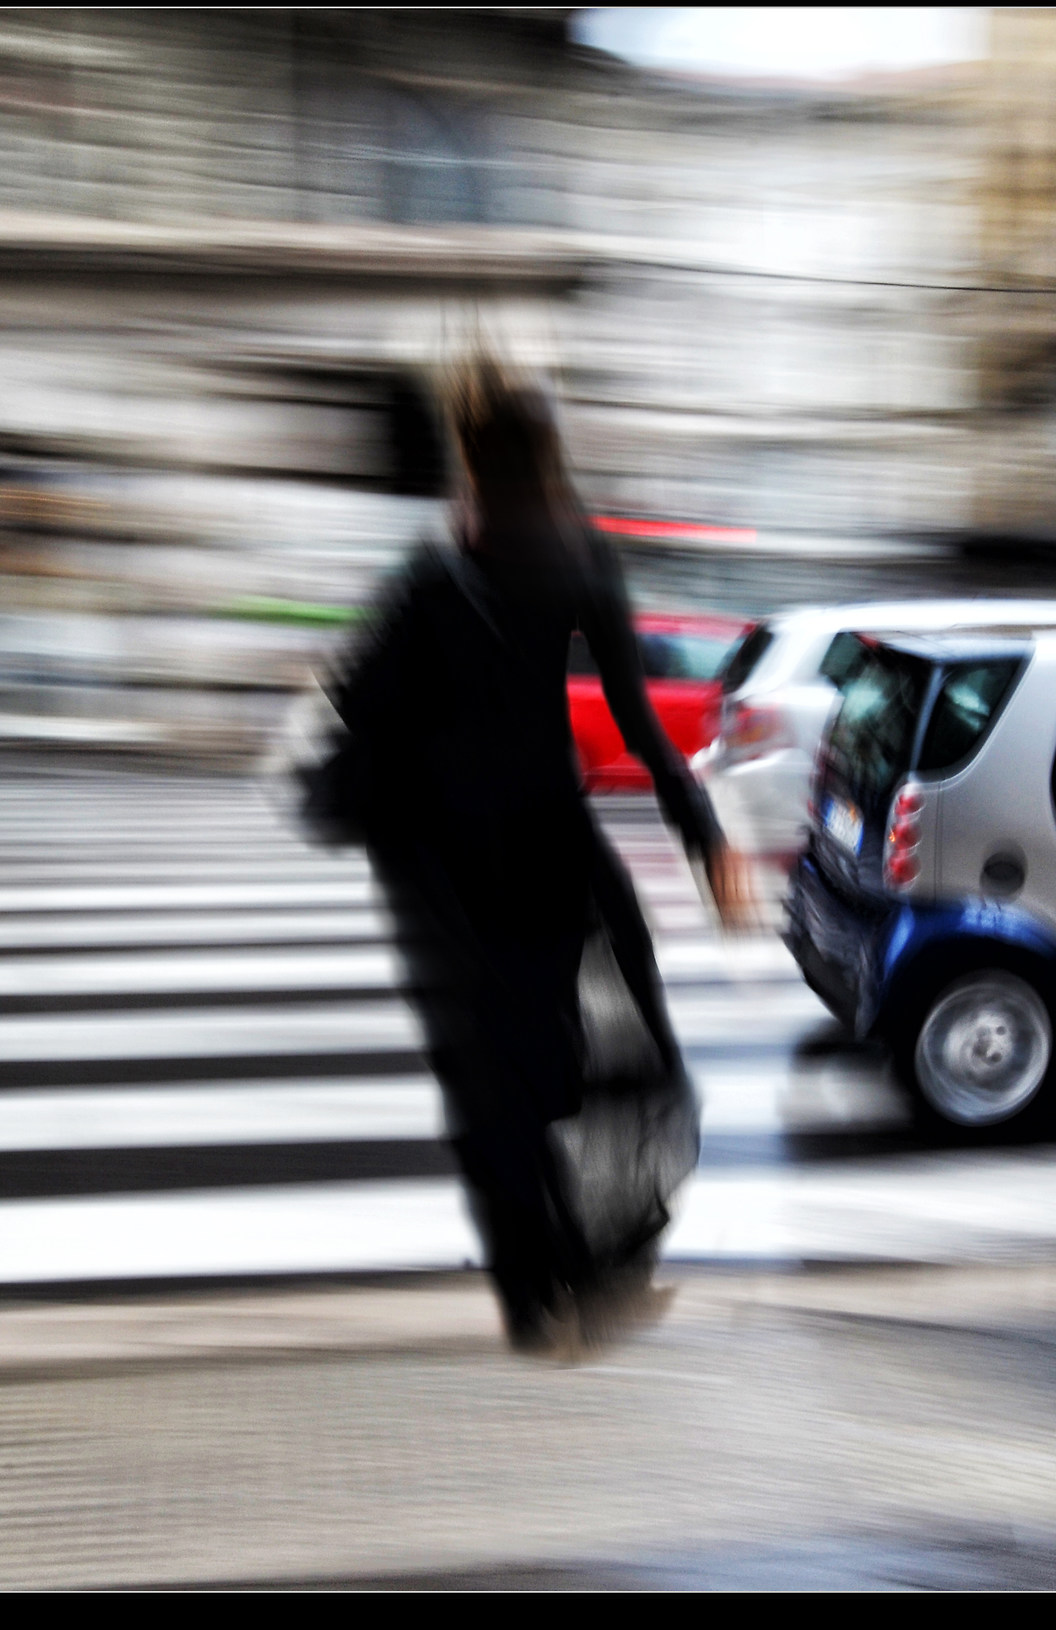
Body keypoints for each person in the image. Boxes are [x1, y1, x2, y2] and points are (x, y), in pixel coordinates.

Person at [309, 359, 751, 1358]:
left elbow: (355, 704)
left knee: (493, 1087)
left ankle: (537, 1297)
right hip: (554, 846)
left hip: (456, 867)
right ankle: (603, 1266)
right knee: (610, 1055)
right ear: (549, 453)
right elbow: (642, 728)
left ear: (474, 454)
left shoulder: (433, 573)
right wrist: (706, 840)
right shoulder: (580, 551)